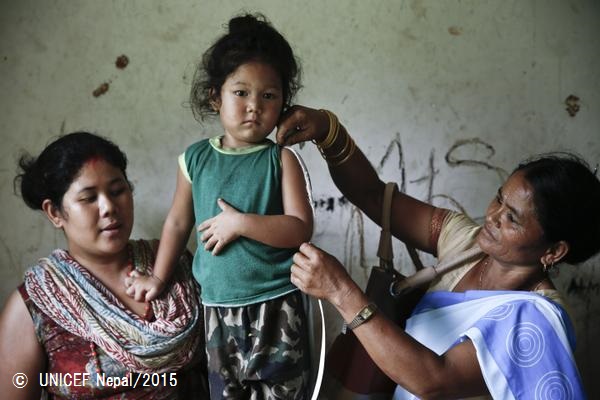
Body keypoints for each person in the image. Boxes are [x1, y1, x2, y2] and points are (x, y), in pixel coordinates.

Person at [275, 106, 600, 399]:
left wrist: (341, 291)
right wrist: (327, 131)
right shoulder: (465, 244)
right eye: (499, 198)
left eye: (511, 218)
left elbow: (435, 379)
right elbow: (373, 196)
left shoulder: (537, 321)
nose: (492, 216)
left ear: (554, 250)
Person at [125, 14, 314, 400]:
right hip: (216, 310)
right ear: (216, 96)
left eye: (269, 95)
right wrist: (157, 280)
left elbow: (299, 227)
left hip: (275, 304)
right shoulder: (195, 160)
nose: (254, 107)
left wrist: (241, 224)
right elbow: (179, 222)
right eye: (241, 93)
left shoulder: (281, 160)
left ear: (283, 102)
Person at [0, 132, 208, 399]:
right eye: (88, 198)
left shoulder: (175, 265)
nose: (109, 207)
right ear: (54, 213)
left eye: (117, 191)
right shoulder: (34, 306)